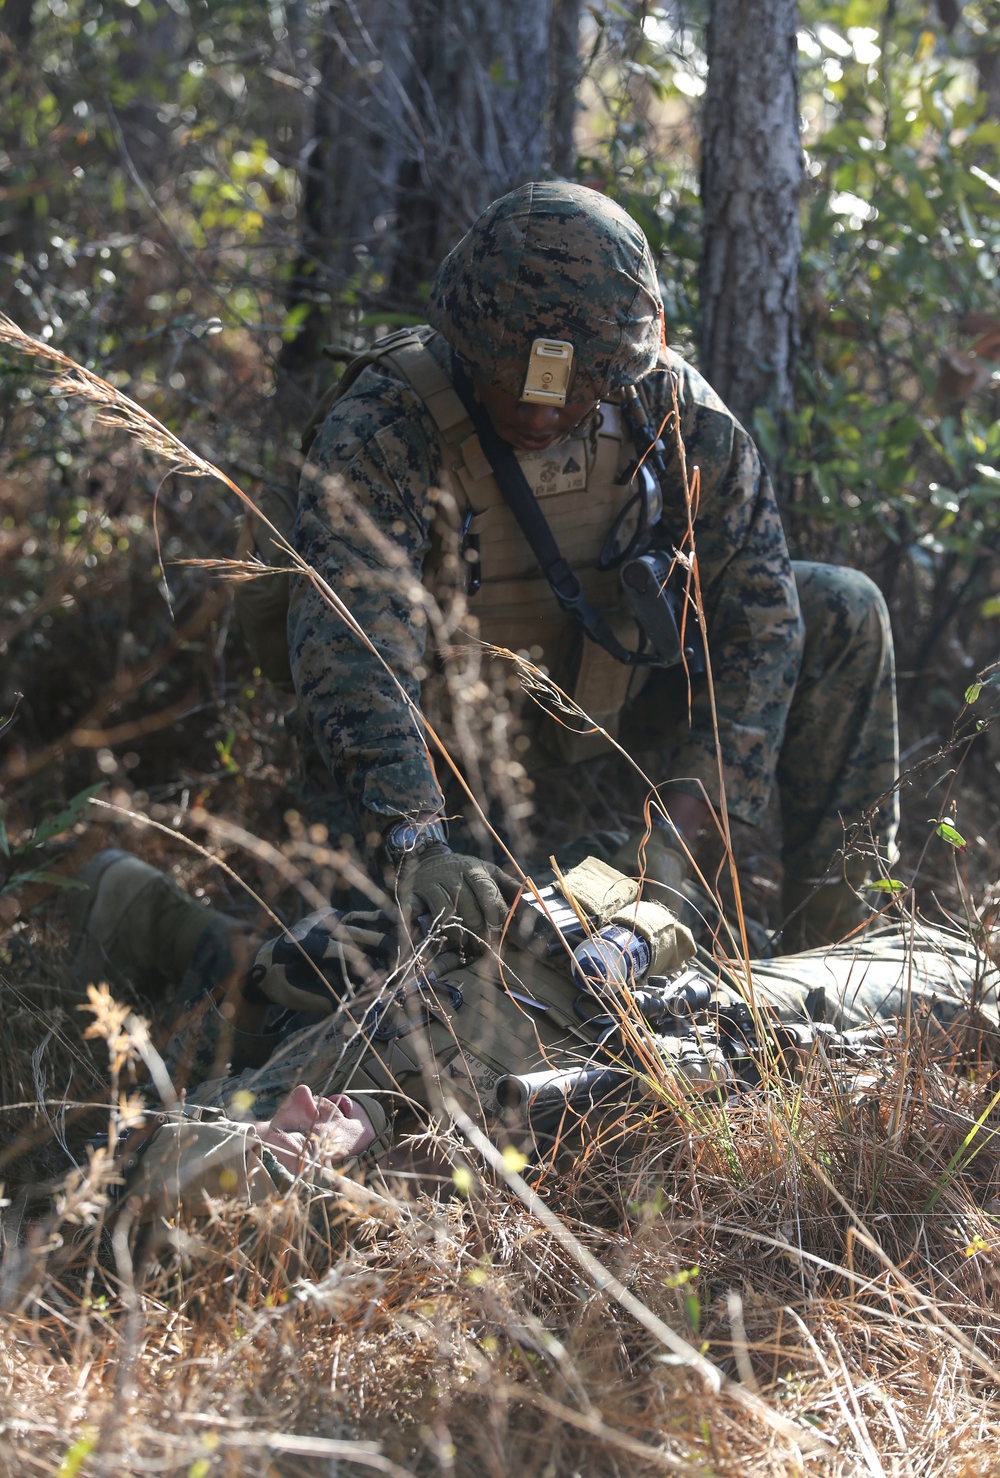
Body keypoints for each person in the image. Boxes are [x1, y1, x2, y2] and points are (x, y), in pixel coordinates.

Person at [286, 181, 899, 955]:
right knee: (377, 992)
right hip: (443, 771)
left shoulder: (672, 412)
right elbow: (353, 654)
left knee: (839, 607)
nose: (541, 417)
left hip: (614, 726)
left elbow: (760, 620)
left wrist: (680, 841)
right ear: (468, 342)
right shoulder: (383, 430)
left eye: (573, 395)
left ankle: (841, 955)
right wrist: (414, 839)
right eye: (517, 383)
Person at [67, 844, 995, 1214]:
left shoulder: (263, 1094)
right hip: (689, 1022)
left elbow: (176, 1163)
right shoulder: (413, 1179)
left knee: (249, 969)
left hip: (544, 969)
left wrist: (462, 912)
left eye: (280, 1129)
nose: (313, 1108)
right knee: (949, 978)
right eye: (302, 1145)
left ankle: (163, 924)